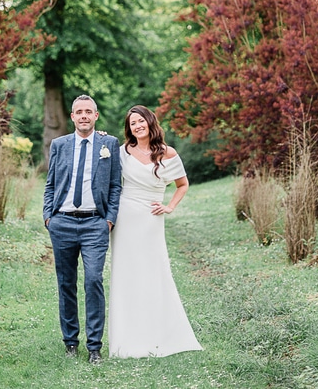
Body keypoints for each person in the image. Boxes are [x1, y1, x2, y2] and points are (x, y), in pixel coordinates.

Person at [108, 105, 202, 358]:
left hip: (150, 218)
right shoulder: (122, 152)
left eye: (141, 121)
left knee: (153, 272)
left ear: (150, 122)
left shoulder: (167, 153)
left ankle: (159, 334)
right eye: (132, 123)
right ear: (129, 128)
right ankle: (125, 341)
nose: (137, 126)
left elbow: (182, 185)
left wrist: (169, 206)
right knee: (125, 274)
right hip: (125, 217)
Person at [43, 94, 122, 365]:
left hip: (94, 224)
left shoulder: (109, 144)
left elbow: (115, 185)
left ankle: (95, 346)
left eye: (89, 111)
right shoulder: (59, 144)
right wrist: (48, 217)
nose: (84, 115)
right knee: (66, 283)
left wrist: (108, 219)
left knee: (93, 280)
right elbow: (50, 182)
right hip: (62, 222)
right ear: (73, 116)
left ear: (96, 116)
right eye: (80, 111)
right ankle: (70, 342)